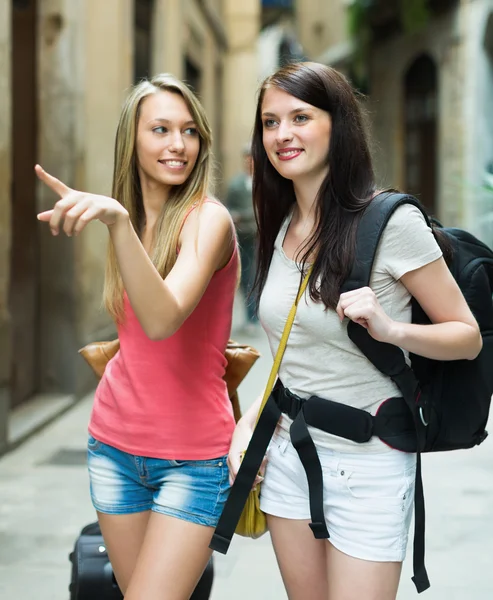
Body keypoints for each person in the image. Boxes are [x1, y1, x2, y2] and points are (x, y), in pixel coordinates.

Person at [227, 62, 482, 600]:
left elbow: (467, 335)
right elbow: (287, 354)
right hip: (288, 454)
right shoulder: (280, 224)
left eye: (300, 116)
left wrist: (392, 329)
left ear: (337, 124)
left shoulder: (391, 223)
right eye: (270, 122)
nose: (283, 134)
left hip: (369, 460)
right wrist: (247, 424)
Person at [36, 74, 238, 600]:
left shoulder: (207, 221)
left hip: (192, 461)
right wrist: (123, 223)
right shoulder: (131, 220)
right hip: (113, 448)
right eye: (162, 129)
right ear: (133, 140)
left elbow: (162, 318)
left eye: (190, 131)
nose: (178, 144)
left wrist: (118, 223)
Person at [225, 144, 258, 328]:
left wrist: (245, 215)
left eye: (253, 159)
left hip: (263, 237)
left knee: (261, 274)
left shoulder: (267, 183)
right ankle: (251, 316)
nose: (250, 162)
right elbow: (228, 209)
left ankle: (259, 314)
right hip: (244, 237)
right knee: (246, 277)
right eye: (247, 159)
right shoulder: (236, 185)